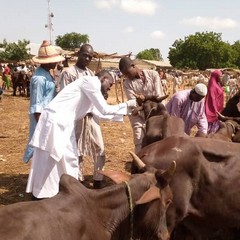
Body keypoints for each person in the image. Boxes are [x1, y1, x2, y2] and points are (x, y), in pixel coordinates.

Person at [26, 70, 136, 199]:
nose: (109, 88)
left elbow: (100, 114)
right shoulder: (91, 82)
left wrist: (128, 111)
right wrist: (129, 104)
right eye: (110, 84)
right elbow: (104, 109)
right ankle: (47, 193)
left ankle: (55, 192)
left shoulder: (89, 90)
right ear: (104, 78)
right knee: (56, 158)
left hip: (61, 123)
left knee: (61, 159)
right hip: (57, 122)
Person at [58, 44, 106, 189]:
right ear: (79, 54)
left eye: (90, 57)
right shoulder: (68, 73)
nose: (87, 58)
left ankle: (98, 179)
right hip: (75, 118)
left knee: (100, 148)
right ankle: (78, 180)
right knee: (76, 150)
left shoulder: (90, 74)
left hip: (91, 117)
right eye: (84, 55)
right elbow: (64, 96)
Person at [22, 40, 65, 163]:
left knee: (44, 146)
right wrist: (42, 125)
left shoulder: (47, 74)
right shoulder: (39, 79)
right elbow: (36, 105)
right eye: (54, 60)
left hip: (47, 116)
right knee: (39, 144)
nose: (57, 62)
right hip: (40, 118)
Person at [119, 57, 165, 153]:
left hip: (155, 112)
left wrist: (145, 98)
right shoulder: (127, 84)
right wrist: (141, 103)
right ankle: (138, 164)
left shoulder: (153, 74)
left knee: (157, 137)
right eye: (125, 75)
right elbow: (133, 104)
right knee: (139, 139)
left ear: (133, 66)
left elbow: (159, 96)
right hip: (138, 115)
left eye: (127, 73)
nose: (127, 76)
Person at [205, 69, 224, 134]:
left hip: (218, 108)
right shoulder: (213, 86)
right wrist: (216, 111)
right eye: (220, 76)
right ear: (216, 76)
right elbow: (212, 99)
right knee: (211, 129)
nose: (221, 78)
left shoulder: (217, 84)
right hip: (213, 109)